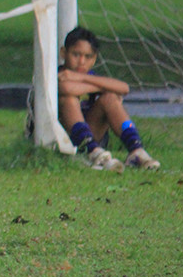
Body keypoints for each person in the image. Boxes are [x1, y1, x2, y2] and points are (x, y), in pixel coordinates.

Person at [58, 26, 160, 171]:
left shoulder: (88, 77)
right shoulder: (59, 75)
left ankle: (136, 149)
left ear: (94, 59)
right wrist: (102, 86)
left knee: (110, 98)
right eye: (76, 54)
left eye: (88, 57)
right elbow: (67, 89)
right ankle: (91, 152)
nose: (81, 62)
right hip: (67, 138)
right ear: (63, 53)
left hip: (93, 133)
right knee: (70, 100)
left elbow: (124, 88)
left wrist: (81, 78)